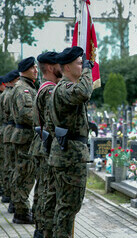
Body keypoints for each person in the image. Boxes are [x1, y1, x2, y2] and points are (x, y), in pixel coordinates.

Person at [48, 46, 94, 237]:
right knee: (68, 208)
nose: (83, 66)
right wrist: (89, 70)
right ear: (67, 67)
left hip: (69, 154)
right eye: (79, 63)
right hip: (70, 157)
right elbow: (84, 92)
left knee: (67, 207)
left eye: (83, 63)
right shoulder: (65, 88)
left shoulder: (65, 88)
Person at [30, 51, 62, 238]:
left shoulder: (44, 87)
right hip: (48, 147)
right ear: (50, 67)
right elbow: (55, 122)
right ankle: (43, 230)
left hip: (42, 145)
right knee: (49, 193)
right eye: (59, 64)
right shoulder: (50, 90)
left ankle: (40, 228)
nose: (62, 68)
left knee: (44, 189)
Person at [10, 57, 38, 224]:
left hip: (26, 136)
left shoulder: (26, 87)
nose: (36, 70)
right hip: (24, 137)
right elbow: (25, 114)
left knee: (25, 174)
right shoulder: (23, 89)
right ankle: (21, 212)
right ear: (26, 69)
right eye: (33, 68)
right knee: (23, 175)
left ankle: (21, 209)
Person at [1, 70, 20, 214]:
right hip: (10, 129)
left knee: (7, 164)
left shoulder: (5, 95)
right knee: (12, 165)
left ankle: (8, 193)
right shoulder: (10, 94)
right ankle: (10, 196)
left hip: (6, 130)